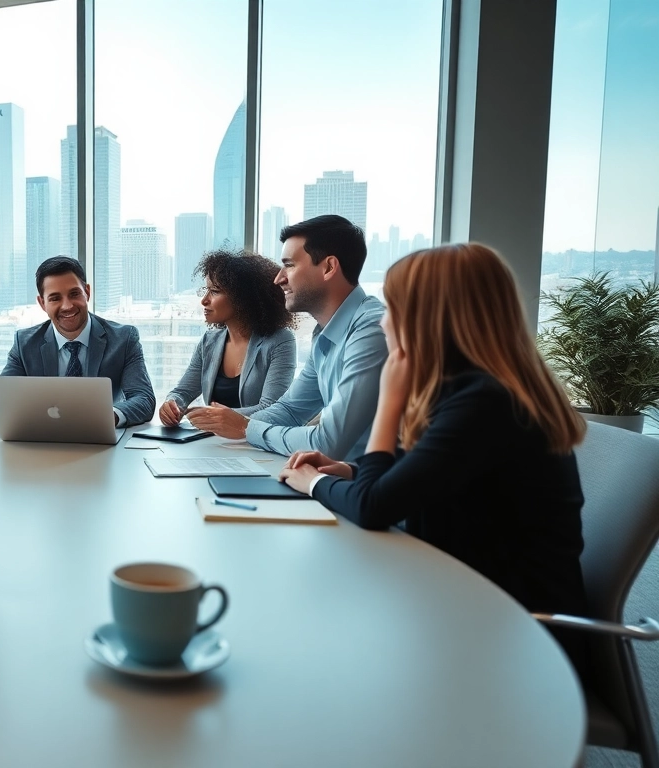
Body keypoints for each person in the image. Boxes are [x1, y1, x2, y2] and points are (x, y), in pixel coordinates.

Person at [278, 243, 589, 669]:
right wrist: (348, 470)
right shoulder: (472, 391)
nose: (386, 322)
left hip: (516, 636)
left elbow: (374, 507)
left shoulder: (487, 403)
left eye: (397, 308)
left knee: (322, 640)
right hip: (465, 597)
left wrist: (317, 478)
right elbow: (420, 479)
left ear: (432, 319)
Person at [191, 215, 386, 460]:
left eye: (290, 265)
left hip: (374, 489)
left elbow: (328, 442)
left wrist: (246, 427)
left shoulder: (371, 329)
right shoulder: (325, 334)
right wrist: (222, 424)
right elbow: (290, 410)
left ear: (328, 267)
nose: (278, 278)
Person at [0, 256, 155, 426]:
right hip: (43, 440)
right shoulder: (24, 344)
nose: (67, 306)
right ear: (42, 303)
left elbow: (143, 398)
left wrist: (110, 416)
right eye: (55, 298)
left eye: (74, 294)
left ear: (87, 292)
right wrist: (37, 414)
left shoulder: (123, 339)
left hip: (102, 439)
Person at [160, 249, 297, 430]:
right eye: (206, 290)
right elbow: (182, 392)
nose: (204, 301)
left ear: (243, 299)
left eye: (215, 291)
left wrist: (213, 416)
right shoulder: (209, 341)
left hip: (255, 446)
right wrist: (172, 404)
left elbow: (271, 408)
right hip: (211, 444)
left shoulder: (280, 341)